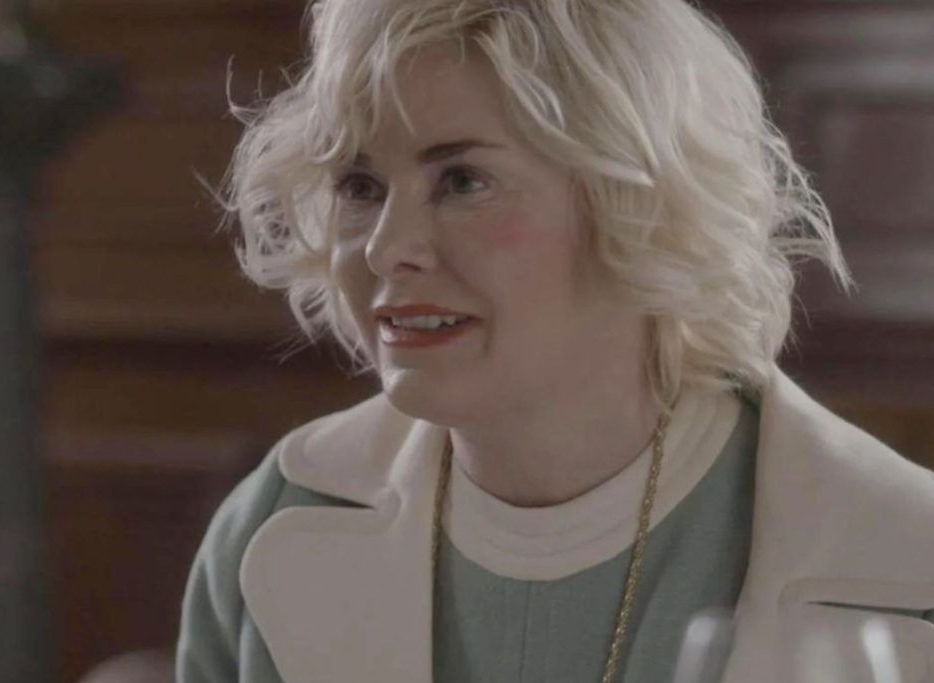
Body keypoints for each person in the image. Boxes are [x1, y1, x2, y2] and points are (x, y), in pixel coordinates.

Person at [177, 1, 934, 681]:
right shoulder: (273, 522)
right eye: (360, 186)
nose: (386, 248)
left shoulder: (905, 558)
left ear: (636, 203)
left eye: (462, 181)